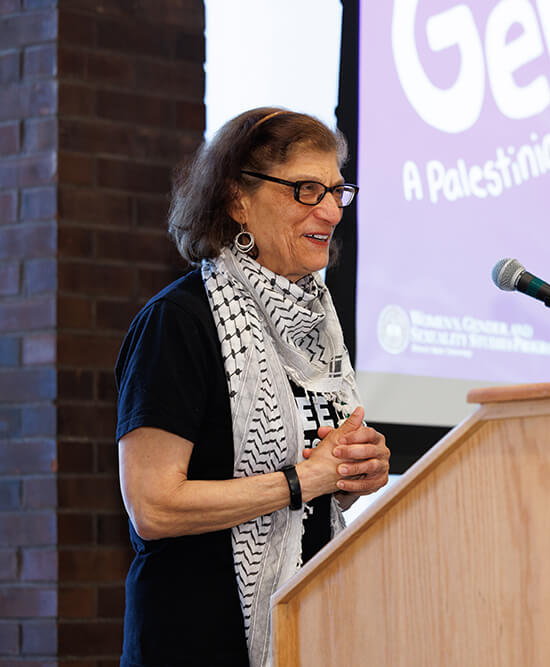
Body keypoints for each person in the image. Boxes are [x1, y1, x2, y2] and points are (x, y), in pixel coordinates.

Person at [115, 108, 390, 667]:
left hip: (306, 634)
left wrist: (351, 475)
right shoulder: (179, 322)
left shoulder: (317, 330)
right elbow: (153, 506)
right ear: (237, 199)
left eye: (337, 191)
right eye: (306, 190)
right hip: (195, 641)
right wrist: (303, 480)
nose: (331, 211)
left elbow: (312, 490)